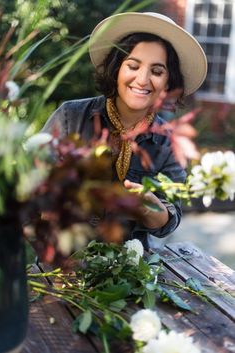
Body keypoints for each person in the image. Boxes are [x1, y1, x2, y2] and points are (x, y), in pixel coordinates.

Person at [41, 12, 207, 250]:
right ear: (116, 68)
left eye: (157, 71)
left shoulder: (169, 143)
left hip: (127, 272)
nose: (142, 79)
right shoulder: (71, 117)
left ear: (168, 84)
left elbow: (170, 220)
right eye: (133, 65)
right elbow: (33, 184)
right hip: (61, 263)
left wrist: (147, 207)